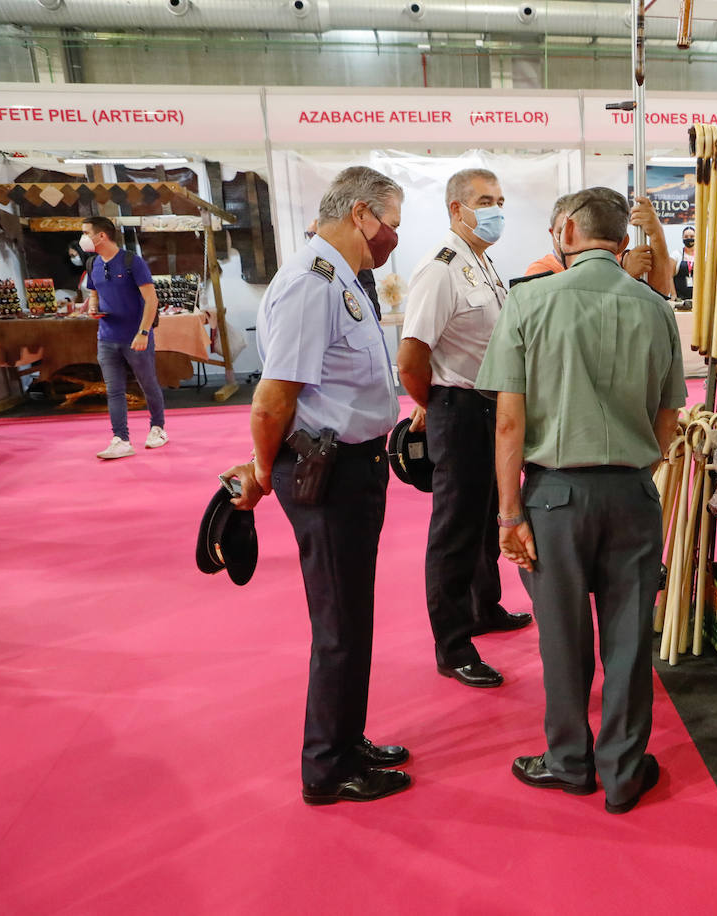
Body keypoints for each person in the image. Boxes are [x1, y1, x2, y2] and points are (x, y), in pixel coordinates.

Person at [476, 187, 686, 814]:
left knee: (561, 637)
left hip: (554, 497)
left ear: (564, 229)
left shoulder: (529, 301)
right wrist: (633, 468)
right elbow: (669, 416)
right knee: (628, 638)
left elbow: (509, 423)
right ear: (622, 240)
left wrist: (510, 512)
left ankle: (568, 762)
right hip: (631, 492)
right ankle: (623, 772)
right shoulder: (655, 309)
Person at [221, 166, 411, 805]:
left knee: (353, 618)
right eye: (390, 225)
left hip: (355, 468)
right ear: (361, 213)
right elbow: (273, 399)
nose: (391, 239)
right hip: (326, 475)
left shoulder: (341, 278)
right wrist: (258, 472)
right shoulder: (312, 282)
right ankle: (326, 769)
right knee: (339, 623)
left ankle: (346, 738)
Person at [396, 168, 530, 689]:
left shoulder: (481, 261)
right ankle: (452, 645)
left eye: (499, 199)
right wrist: (433, 403)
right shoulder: (442, 268)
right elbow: (411, 356)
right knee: (454, 532)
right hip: (458, 406)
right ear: (457, 209)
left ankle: (483, 608)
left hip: (488, 407)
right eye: (484, 200)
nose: (495, 209)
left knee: (483, 521)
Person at [81, 217, 167, 459]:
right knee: (114, 390)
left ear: (102, 236)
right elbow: (94, 291)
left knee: (147, 384)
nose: (83, 237)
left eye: (86, 232)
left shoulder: (132, 262)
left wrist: (143, 332)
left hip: (136, 336)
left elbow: (152, 300)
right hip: (106, 337)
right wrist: (93, 307)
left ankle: (157, 428)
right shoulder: (92, 263)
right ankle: (121, 439)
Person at [523, 196, 675, 296]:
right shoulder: (540, 271)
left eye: (578, 231)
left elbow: (658, 296)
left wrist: (657, 235)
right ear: (552, 232)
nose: (570, 238)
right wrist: (624, 277)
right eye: (562, 231)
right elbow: (568, 310)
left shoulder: (615, 260)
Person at [673, 225, 696, 301]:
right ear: (682, 238)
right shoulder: (676, 254)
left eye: (692, 236)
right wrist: (674, 295)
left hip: (698, 297)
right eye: (686, 236)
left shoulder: (702, 255)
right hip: (680, 297)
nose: (689, 238)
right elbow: (669, 276)